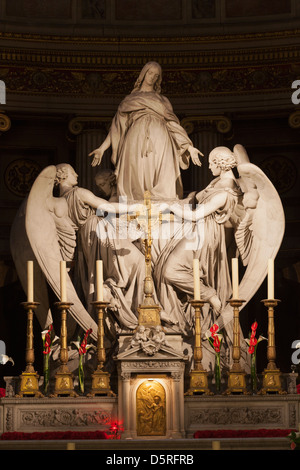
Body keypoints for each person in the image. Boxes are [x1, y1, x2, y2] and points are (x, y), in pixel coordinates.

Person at [154, 146, 243, 338]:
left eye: (212, 162)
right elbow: (195, 201)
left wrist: (170, 206)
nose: (209, 166)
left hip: (205, 234)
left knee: (170, 270)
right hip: (196, 230)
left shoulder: (227, 190)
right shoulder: (218, 181)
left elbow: (197, 214)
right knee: (162, 266)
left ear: (220, 163)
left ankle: (209, 295)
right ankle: (181, 311)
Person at [89, 61, 203, 201]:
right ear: (143, 74)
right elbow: (117, 128)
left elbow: (173, 124)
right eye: (150, 73)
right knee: (137, 171)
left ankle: (161, 204)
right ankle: (137, 204)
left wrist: (189, 147)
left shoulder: (163, 100)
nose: (152, 77)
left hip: (160, 137)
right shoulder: (129, 99)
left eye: (156, 75)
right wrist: (102, 148)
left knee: (161, 170)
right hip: (135, 138)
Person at [55, 163, 146, 333]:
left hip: (85, 241)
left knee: (102, 274)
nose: (76, 174)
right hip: (98, 232)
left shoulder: (58, 202)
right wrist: (135, 207)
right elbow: (107, 207)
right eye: (72, 171)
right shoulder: (78, 192)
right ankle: (135, 313)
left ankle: (124, 308)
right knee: (139, 262)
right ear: (64, 174)